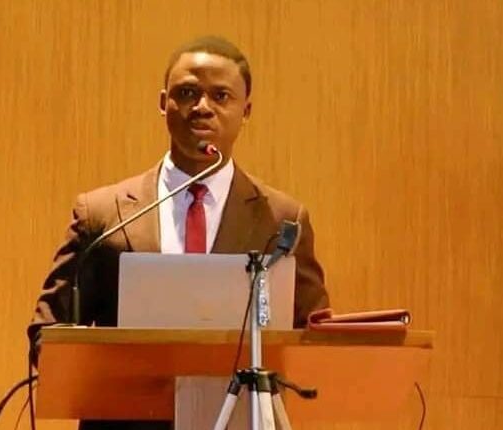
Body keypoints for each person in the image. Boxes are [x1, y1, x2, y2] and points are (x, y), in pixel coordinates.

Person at [27, 36, 329, 430]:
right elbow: (48, 330)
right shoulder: (102, 213)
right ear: (163, 103)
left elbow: (313, 339)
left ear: (246, 111)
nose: (202, 106)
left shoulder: (282, 220)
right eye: (187, 93)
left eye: (220, 96)